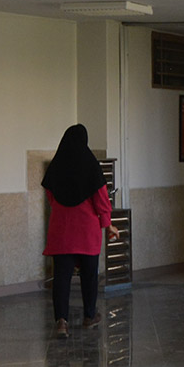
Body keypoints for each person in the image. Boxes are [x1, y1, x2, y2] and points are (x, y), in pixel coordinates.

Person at [41, 124, 114, 336]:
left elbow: (50, 194)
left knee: (61, 277)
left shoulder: (56, 164)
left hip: (61, 229)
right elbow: (101, 199)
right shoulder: (90, 165)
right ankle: (89, 316)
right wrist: (107, 223)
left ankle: (61, 322)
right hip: (86, 231)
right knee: (89, 275)